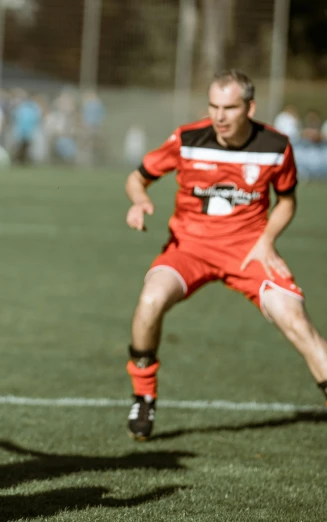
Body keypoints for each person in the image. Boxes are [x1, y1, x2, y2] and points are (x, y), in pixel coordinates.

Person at [123, 69, 327, 441]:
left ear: (250, 107)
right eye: (213, 106)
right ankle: (144, 394)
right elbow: (137, 177)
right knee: (149, 301)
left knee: (296, 320)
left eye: (229, 107)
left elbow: (287, 202)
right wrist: (139, 201)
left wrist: (266, 241)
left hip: (249, 252)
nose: (219, 116)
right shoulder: (187, 139)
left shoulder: (276, 146)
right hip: (189, 249)